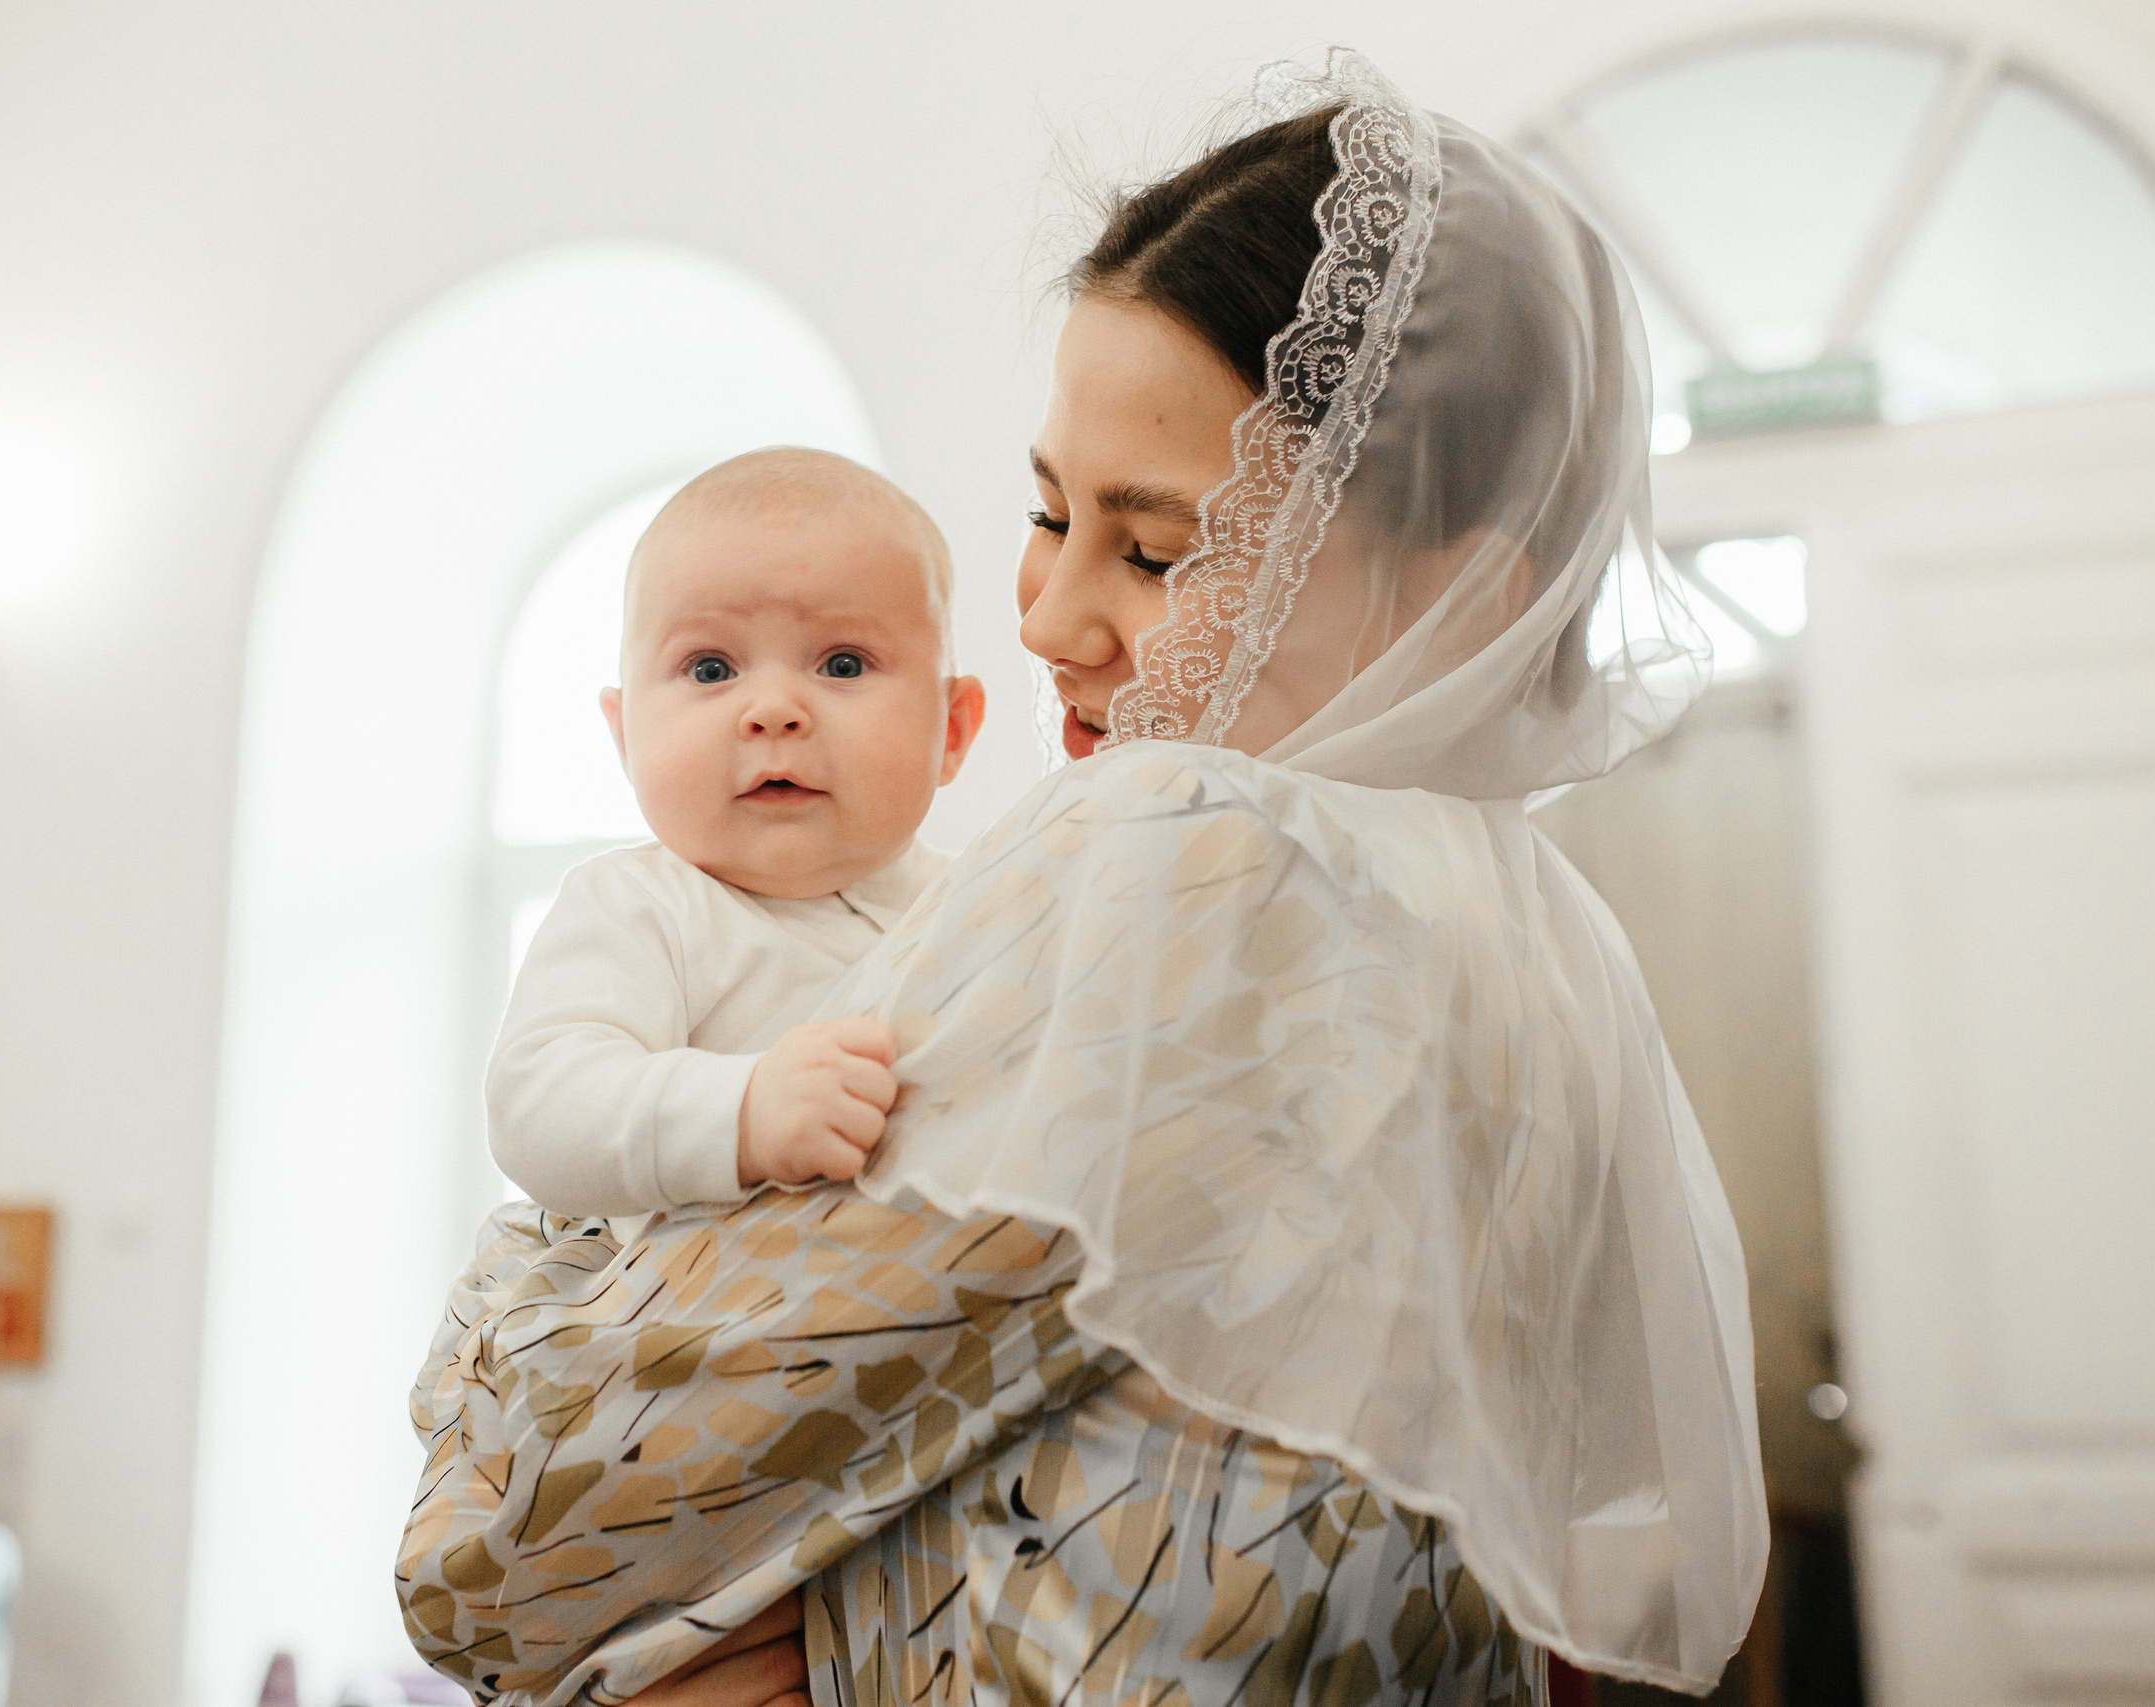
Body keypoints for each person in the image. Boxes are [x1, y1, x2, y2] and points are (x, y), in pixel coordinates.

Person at [399, 48, 1766, 1707]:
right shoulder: (1538, 939)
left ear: (1461, 596)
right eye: (1044, 515)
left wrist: (504, 1314)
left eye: (1161, 546)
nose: (1043, 617)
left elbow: (494, 1552)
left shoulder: (1203, 856)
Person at [490, 449, 985, 1231]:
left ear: (951, 730)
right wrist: (744, 1112)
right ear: (625, 738)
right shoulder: (639, 906)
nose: (773, 709)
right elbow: (539, 1104)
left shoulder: (986, 903)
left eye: (843, 662)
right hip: (698, 1342)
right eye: (711, 667)